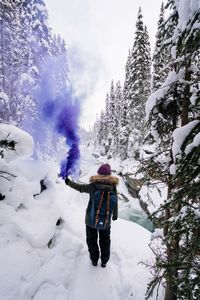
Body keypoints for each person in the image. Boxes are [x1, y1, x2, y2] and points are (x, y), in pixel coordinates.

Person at [65, 163, 119, 268]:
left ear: (98, 173)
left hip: (91, 220)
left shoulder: (93, 186)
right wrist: (115, 215)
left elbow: (79, 188)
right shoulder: (113, 187)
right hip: (106, 221)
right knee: (105, 240)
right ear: (109, 174)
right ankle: (104, 261)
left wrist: (68, 182)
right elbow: (115, 201)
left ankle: (94, 259)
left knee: (91, 239)